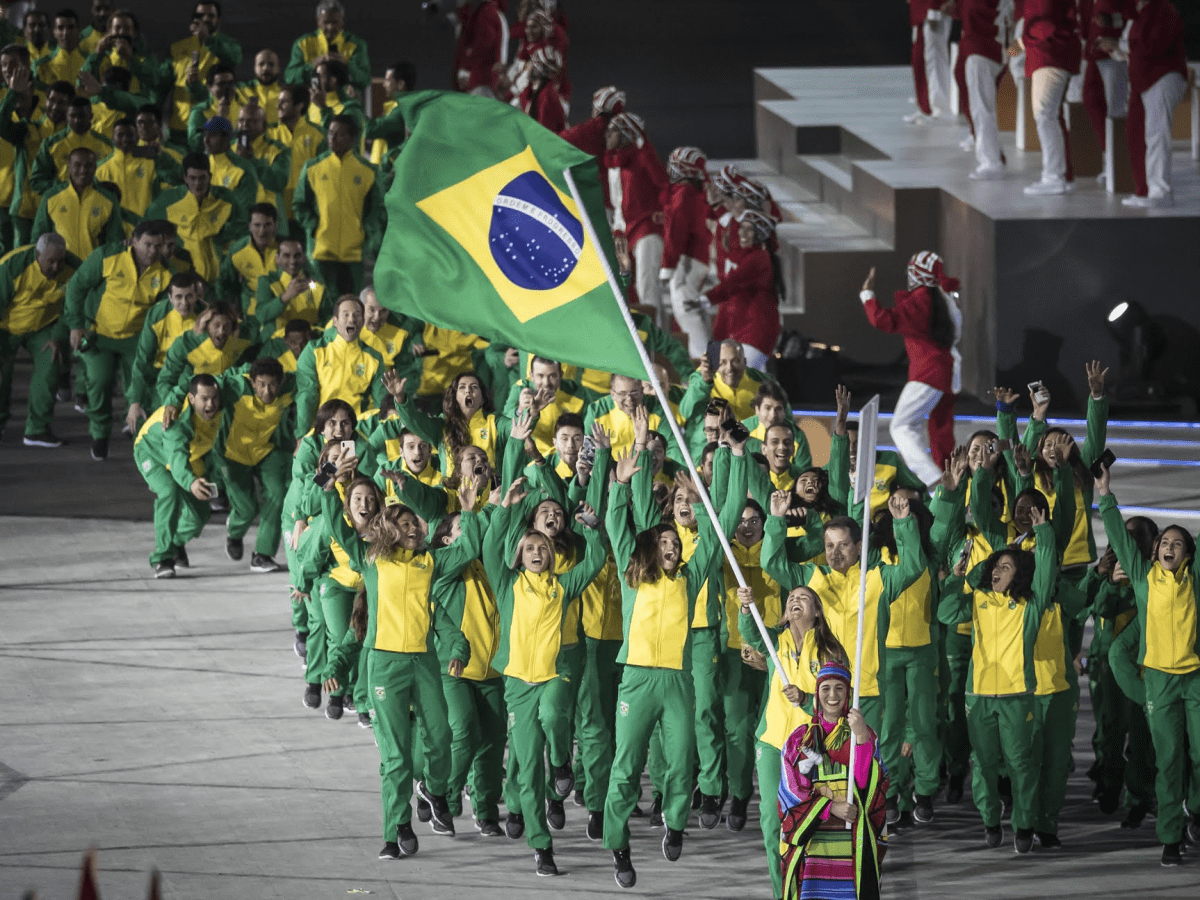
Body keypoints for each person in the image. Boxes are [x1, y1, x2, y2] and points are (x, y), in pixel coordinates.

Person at [316, 469, 478, 858]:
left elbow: (468, 549)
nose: (413, 528)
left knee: (441, 736)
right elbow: (337, 528)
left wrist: (470, 513)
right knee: (396, 755)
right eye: (404, 524)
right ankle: (395, 829)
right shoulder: (371, 560)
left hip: (423, 662)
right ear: (388, 528)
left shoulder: (430, 562)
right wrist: (328, 490)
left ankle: (434, 791)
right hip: (385, 665)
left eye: (415, 524)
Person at [482, 479, 605, 877]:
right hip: (518, 685)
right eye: (529, 549)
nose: (537, 553)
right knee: (528, 769)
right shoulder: (507, 585)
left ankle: (562, 760)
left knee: (554, 715)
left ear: (553, 555)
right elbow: (490, 547)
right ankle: (541, 845)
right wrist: (505, 509)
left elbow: (596, 560)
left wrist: (592, 529)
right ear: (519, 557)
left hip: (553, 676)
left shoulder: (563, 587)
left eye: (543, 549)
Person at [938, 504, 1058, 852]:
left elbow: (1046, 571)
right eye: (995, 566)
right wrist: (956, 579)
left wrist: (1044, 533)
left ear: (1020, 575)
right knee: (983, 763)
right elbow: (946, 613)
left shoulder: (1031, 605)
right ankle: (990, 819)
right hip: (978, 696)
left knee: (1020, 764)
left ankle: (1024, 824)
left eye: (1006, 567)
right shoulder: (979, 599)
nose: (996, 571)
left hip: (1017, 696)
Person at [1097, 462, 1200, 866]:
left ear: (1188, 554)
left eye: (1178, 543)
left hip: (1195, 679)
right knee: (1169, 761)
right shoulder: (1143, 578)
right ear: (1154, 551)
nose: (1170, 547)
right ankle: (1171, 838)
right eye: (1164, 542)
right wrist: (1105, 493)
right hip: (1159, 681)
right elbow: (1120, 537)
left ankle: (1196, 808)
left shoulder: (1194, 581)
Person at [741, 584, 847, 900]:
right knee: (771, 820)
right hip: (772, 742)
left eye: (804, 598)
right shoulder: (776, 642)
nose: (795, 600)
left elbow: (837, 703)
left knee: (804, 818)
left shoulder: (830, 650)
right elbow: (751, 632)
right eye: (791, 598)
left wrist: (805, 700)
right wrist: (746, 607)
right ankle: (782, 893)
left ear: (817, 611)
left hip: (810, 747)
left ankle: (811, 886)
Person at [778, 661, 889, 900]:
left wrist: (860, 736)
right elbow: (791, 791)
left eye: (839, 688)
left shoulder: (865, 734)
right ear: (816, 693)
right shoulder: (800, 738)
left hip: (851, 847)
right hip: (813, 847)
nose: (832, 695)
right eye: (825, 688)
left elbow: (869, 785)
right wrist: (829, 808)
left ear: (848, 694)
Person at [64, 217, 171, 460]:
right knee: (99, 382)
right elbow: (76, 286)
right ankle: (100, 434)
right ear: (133, 241)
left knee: (138, 388)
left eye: (157, 246)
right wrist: (75, 325)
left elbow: (166, 310)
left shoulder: (165, 272)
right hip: (98, 334)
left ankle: (138, 436)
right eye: (147, 245)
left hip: (136, 339)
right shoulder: (107, 256)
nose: (152, 251)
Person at [859, 252, 962, 487]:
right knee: (939, 431)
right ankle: (949, 479)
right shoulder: (943, 298)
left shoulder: (922, 301)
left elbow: (883, 319)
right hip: (947, 370)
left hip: (928, 373)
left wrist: (867, 294)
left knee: (901, 426)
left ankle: (933, 480)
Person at [1097, 0, 1189, 208]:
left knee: (1156, 134)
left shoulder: (1164, 10)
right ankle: (1145, 189)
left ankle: (1160, 192)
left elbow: (1153, 46)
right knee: (1136, 133)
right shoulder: (1137, 14)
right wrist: (1114, 48)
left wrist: (1119, 45)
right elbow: (1133, 48)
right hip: (1142, 80)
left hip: (1162, 77)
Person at [132, 373, 222, 578]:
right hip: (152, 453)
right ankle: (163, 558)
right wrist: (191, 482)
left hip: (190, 454)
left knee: (200, 515)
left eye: (214, 398)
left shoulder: (223, 397)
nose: (211, 404)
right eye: (204, 399)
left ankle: (175, 543)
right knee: (169, 491)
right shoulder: (175, 423)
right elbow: (178, 463)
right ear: (192, 399)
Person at [210, 357, 295, 572]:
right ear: (252, 381)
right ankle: (234, 533)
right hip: (232, 455)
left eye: (273, 384)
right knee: (247, 509)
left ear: (281, 381)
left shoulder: (290, 387)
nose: (267, 391)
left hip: (265, 451)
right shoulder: (236, 387)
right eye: (261, 385)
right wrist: (172, 403)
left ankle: (262, 555)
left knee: (278, 493)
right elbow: (203, 383)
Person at [0, 234, 80, 447]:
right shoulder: (12, 267)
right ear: (37, 256)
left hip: (43, 327)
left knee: (51, 362)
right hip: (6, 328)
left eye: (60, 261)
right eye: (50, 261)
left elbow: (74, 306)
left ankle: (37, 430)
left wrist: (58, 336)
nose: (56, 267)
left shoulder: (74, 268)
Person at [293, 113, 383, 296]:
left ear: (353, 139)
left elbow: (378, 209)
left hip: (355, 254)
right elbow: (299, 204)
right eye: (330, 133)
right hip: (321, 252)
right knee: (323, 303)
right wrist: (314, 227)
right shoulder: (313, 167)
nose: (332, 138)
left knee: (352, 303)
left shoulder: (368, 171)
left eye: (340, 134)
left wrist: (366, 231)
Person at [692, 210, 780, 370]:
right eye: (741, 228)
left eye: (749, 229)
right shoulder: (742, 258)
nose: (742, 233)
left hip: (755, 332)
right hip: (743, 332)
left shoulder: (759, 257)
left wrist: (705, 299)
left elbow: (732, 283)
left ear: (759, 235)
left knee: (735, 376)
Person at [144, 151, 243, 284]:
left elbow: (242, 231)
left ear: (210, 177)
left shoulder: (225, 198)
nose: (197, 183)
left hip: (220, 279)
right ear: (185, 178)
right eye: (192, 178)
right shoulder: (168, 200)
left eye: (202, 178)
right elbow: (145, 227)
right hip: (183, 280)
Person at [295, 294, 387, 433]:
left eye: (357, 315)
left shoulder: (374, 358)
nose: (352, 319)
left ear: (362, 321)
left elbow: (381, 402)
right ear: (335, 321)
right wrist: (303, 434)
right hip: (322, 430)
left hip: (356, 431)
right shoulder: (314, 351)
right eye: (346, 315)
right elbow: (307, 396)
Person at [604, 111, 666, 313]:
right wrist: (618, 230)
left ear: (625, 134)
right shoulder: (615, 165)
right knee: (627, 285)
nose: (608, 136)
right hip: (628, 231)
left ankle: (654, 332)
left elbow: (664, 186)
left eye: (613, 131)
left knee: (646, 286)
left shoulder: (643, 156)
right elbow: (618, 204)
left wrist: (662, 213)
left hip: (647, 229)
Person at [125, 271, 203, 427]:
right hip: (161, 374)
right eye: (178, 297)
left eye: (189, 296)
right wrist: (135, 402)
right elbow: (143, 358)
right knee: (152, 418)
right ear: (170, 297)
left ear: (197, 296)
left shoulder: (207, 316)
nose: (184, 303)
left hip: (194, 374)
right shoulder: (157, 314)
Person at [1020, 0, 1081, 195]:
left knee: (1045, 115)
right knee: (1052, 116)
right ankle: (1063, 173)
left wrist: (1019, 44)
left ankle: (1053, 176)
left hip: (1049, 55)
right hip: (1051, 54)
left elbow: (1043, 26)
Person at [660, 145, 710, 357]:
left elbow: (676, 233)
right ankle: (706, 357)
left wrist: (668, 266)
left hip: (689, 260)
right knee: (694, 313)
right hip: (697, 257)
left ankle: (704, 360)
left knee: (685, 311)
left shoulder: (683, 195)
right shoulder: (694, 194)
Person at [31, 147, 123, 262]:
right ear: (69, 167)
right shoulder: (51, 197)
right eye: (77, 165)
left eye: (88, 165)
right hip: (60, 267)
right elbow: (38, 239)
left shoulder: (108, 199)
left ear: (95, 168)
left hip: (94, 268)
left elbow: (115, 242)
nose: (83, 170)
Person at [166, 2, 243, 139]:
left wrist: (207, 39)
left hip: (211, 125)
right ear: (193, 19)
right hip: (180, 127)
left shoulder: (229, 45)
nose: (205, 19)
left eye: (210, 15)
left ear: (218, 19)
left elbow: (234, 58)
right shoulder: (177, 48)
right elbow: (162, 83)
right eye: (200, 15)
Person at [960, 0, 1014, 179]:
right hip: (995, 51)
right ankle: (993, 156)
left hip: (980, 51)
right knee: (983, 109)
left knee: (981, 110)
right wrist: (1009, 55)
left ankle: (991, 161)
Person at [29, 96, 113, 195]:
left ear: (91, 116)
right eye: (73, 116)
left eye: (82, 116)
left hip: (96, 200)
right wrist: (61, 189)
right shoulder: (51, 144)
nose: (77, 120)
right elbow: (37, 181)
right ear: (67, 116)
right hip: (62, 200)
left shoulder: (107, 145)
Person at [96, 117, 175, 222]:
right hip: (117, 227)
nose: (125, 139)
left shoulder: (151, 163)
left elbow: (175, 178)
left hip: (147, 226)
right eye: (120, 135)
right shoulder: (100, 169)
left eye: (130, 135)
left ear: (137, 137)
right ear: (112, 137)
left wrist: (161, 156)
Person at [287, 0, 370, 94]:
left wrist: (347, 66)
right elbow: (290, 78)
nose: (330, 27)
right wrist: (312, 66)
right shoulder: (303, 44)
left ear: (342, 21)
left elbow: (365, 80)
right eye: (326, 22)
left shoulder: (356, 44)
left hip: (345, 101)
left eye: (335, 22)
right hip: (312, 100)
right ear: (318, 21)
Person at [252, 236, 326, 342]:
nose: (292, 261)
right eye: (286, 256)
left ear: (304, 257)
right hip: (277, 342)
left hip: (309, 340)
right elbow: (261, 315)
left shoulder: (317, 283)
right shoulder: (267, 281)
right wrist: (286, 296)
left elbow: (327, 317)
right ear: (277, 258)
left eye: (297, 256)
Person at [269, 84, 324, 225]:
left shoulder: (318, 135)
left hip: (306, 210)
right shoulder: (269, 134)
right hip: (275, 211)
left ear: (300, 105)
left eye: (285, 102)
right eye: (278, 101)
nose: (278, 106)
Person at [216, 202, 279, 312]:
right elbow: (223, 281)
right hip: (251, 311)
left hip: (281, 307)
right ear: (250, 226)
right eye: (257, 225)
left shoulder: (285, 248)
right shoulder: (237, 250)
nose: (262, 231)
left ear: (275, 226)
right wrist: (224, 309)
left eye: (267, 225)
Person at [906, 0, 952, 122]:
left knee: (935, 60)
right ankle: (925, 107)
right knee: (919, 61)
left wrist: (934, 11)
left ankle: (940, 106)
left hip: (932, 11)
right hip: (921, 10)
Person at [34, 9, 86, 88]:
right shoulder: (40, 66)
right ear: (54, 32)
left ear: (79, 31)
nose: (65, 33)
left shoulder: (90, 61)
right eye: (60, 28)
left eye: (70, 27)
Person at [519, 46, 565, 133]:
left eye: (532, 63)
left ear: (539, 69)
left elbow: (543, 134)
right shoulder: (532, 91)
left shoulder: (546, 96)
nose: (528, 66)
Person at [237, 49, 282, 126]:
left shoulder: (287, 93)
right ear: (255, 68)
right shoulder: (239, 90)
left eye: (271, 64)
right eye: (261, 64)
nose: (266, 68)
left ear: (278, 68)